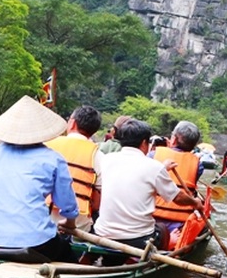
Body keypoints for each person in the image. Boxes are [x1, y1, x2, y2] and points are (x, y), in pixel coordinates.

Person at [0, 95, 79, 263]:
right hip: (35, 242)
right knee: (68, 255)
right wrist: (70, 223)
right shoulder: (53, 159)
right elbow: (66, 204)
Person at [93, 118, 202, 263]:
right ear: (144, 143)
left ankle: (101, 259)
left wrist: (162, 169)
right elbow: (178, 198)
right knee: (162, 229)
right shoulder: (154, 167)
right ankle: (165, 246)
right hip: (138, 240)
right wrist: (195, 202)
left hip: (102, 233)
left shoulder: (105, 160)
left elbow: (133, 174)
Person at [45, 105, 103, 230]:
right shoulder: (97, 155)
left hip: (43, 217)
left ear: (72, 123)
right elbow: (98, 200)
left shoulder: (48, 145)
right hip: (79, 224)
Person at [152, 121, 206, 244]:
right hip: (179, 222)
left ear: (174, 139)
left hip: (151, 216)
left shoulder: (153, 154)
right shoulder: (198, 164)